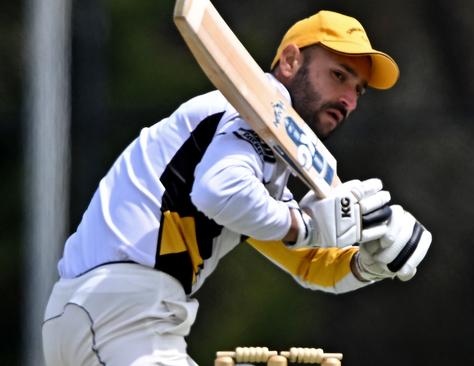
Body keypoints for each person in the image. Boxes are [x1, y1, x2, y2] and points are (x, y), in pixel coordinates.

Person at [42, 10, 433, 366]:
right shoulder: (250, 112)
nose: (348, 100)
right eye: (339, 75)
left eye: (358, 90)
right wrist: (307, 224)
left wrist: (366, 264)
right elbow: (220, 192)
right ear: (291, 61)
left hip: (123, 318)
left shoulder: (261, 160)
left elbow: (307, 263)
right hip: (120, 315)